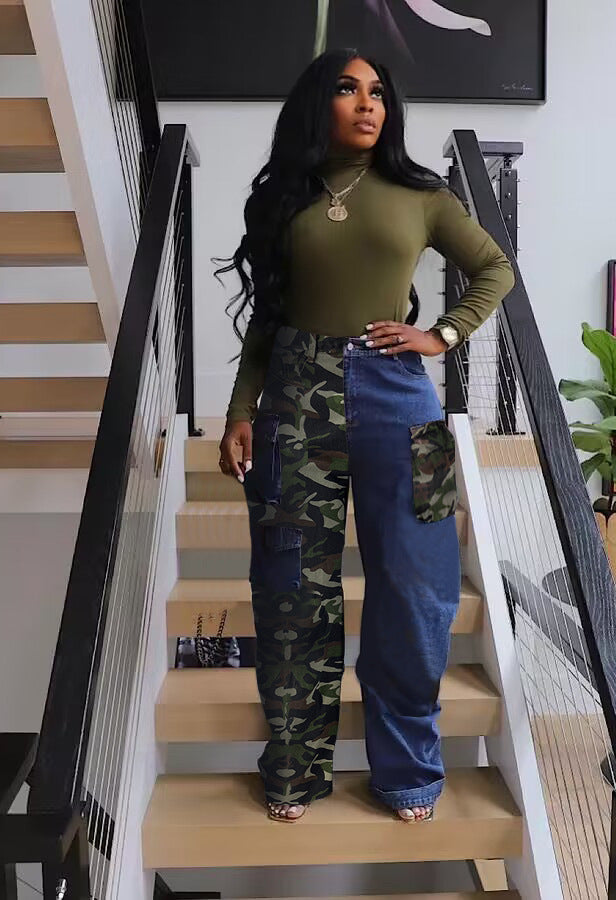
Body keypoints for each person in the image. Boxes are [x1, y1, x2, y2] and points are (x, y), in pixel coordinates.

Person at [213, 48, 515, 824]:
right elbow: (267, 317)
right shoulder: (282, 199)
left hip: (401, 399)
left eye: (378, 91)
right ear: (319, 102)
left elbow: (495, 269)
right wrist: (241, 409)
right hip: (294, 398)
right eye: (349, 89)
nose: (368, 102)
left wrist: (442, 334)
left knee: (417, 590)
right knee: (291, 591)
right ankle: (294, 771)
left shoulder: (423, 195)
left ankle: (407, 773)